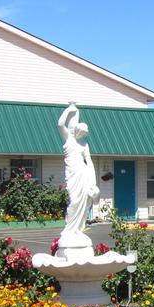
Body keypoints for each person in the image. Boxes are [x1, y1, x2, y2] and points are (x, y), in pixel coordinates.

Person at [58, 102, 100, 247]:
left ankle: (78, 230)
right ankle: (69, 230)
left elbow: (89, 162)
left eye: (83, 133)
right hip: (72, 174)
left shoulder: (84, 144)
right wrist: (70, 110)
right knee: (74, 202)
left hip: (84, 175)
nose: (81, 134)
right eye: (79, 131)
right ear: (75, 130)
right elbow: (60, 124)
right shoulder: (68, 139)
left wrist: (93, 183)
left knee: (85, 203)